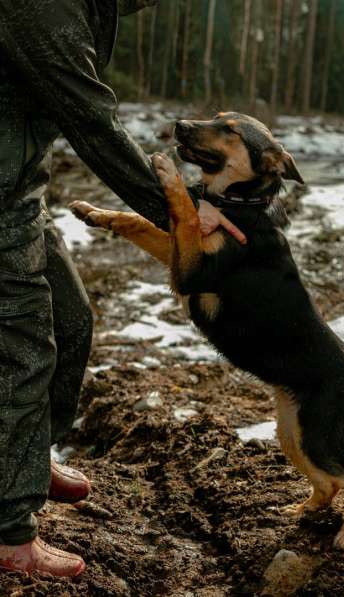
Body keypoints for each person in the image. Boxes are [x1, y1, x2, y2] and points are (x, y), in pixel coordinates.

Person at [0, 0, 246, 577]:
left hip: (17, 189)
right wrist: (182, 210)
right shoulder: (38, 5)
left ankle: (25, 461)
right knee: (24, 344)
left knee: (70, 319)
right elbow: (92, 120)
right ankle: (9, 535)